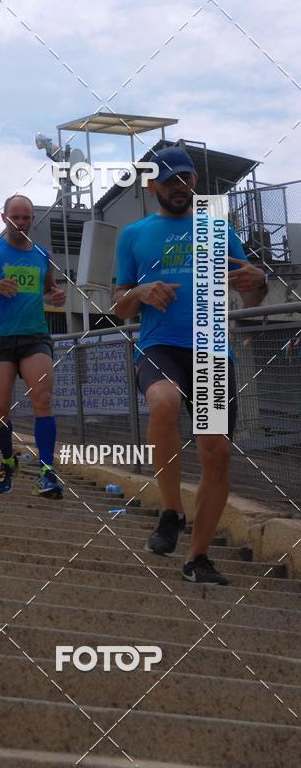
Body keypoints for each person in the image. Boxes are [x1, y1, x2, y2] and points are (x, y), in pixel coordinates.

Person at [114, 147, 267, 585]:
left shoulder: (218, 227)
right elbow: (119, 305)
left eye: (184, 179)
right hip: (160, 345)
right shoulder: (134, 235)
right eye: (167, 181)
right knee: (162, 401)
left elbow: (250, 296)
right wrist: (141, 293)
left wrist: (258, 281)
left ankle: (196, 560)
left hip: (213, 351)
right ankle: (170, 510)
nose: (177, 187)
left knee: (216, 453)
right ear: (151, 186)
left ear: (193, 182)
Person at [0, 194, 67, 498]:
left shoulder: (42, 256)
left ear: (32, 219)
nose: (20, 223)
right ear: (4, 218)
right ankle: (8, 460)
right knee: (0, 412)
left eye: (26, 218)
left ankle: (47, 471)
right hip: (0, 339)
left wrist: (55, 297)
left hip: (35, 337)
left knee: (42, 398)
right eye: (15, 217)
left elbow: (48, 289)